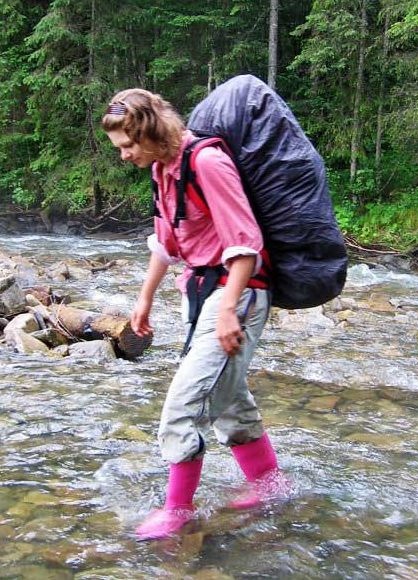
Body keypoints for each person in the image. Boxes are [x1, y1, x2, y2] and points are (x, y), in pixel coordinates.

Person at [101, 89, 289, 541]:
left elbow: (247, 245)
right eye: (119, 148)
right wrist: (144, 299)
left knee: (183, 409)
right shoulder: (164, 170)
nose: (124, 156)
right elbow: (167, 245)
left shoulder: (207, 163)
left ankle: (178, 512)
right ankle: (271, 486)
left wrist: (229, 311)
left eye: (128, 145)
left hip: (236, 295)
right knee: (227, 399)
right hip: (202, 293)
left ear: (151, 131)